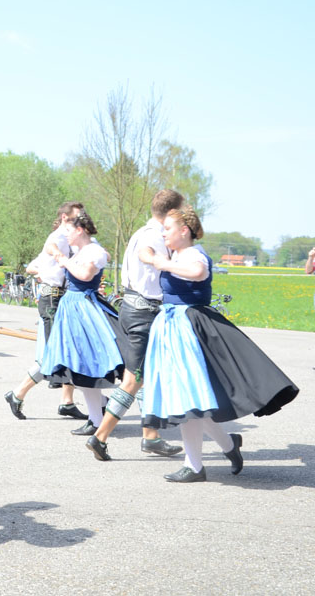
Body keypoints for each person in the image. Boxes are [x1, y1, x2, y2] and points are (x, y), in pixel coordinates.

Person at [139, 207, 298, 482]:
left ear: (184, 231)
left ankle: (195, 466)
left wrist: (161, 263)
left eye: (168, 229)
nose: (163, 234)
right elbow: (147, 255)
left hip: (191, 329)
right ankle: (227, 445)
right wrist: (154, 257)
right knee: (190, 401)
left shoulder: (194, 254)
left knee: (189, 401)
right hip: (171, 328)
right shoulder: (175, 254)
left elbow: (198, 272)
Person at [86, 190, 186, 461]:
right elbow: (151, 260)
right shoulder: (156, 237)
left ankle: (150, 436)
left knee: (148, 377)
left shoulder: (141, 231)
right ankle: (100, 437)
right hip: (145, 311)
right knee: (133, 379)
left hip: (132, 306)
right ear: (171, 212)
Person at [38, 212, 124, 435]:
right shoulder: (80, 251)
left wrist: (64, 260)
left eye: (69, 230)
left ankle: (100, 417)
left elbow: (86, 275)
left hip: (84, 309)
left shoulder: (94, 251)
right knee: (77, 369)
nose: (65, 235)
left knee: (87, 367)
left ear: (80, 230)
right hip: (71, 308)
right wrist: (59, 256)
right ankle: (97, 416)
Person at [4, 203, 89, 421]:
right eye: (77, 216)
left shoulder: (72, 237)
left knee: (69, 350)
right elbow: (40, 260)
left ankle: (67, 401)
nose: (81, 219)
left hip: (64, 297)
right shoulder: (57, 237)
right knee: (55, 352)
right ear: (64, 217)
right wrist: (51, 267)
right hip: (53, 297)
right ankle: (17, 394)